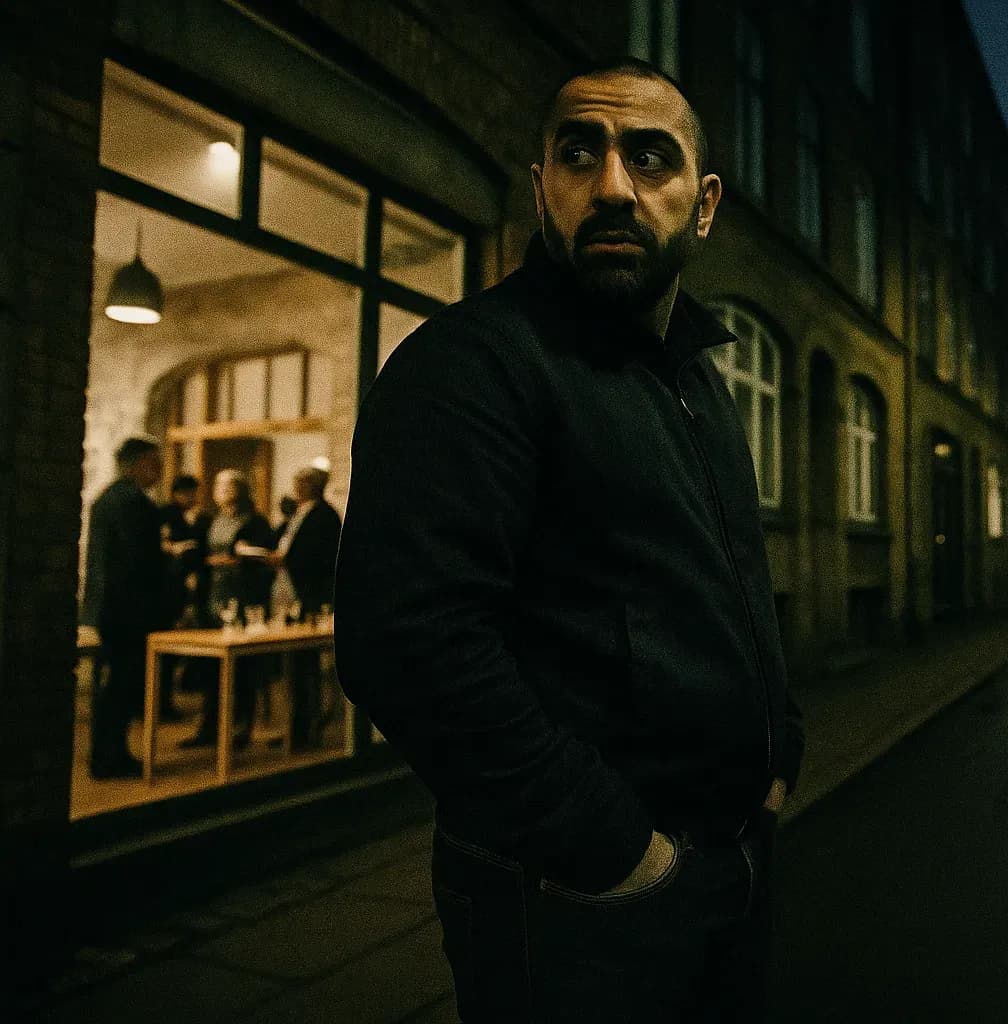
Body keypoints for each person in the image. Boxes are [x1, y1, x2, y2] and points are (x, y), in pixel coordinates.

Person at [334, 57, 804, 1021]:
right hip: (573, 897)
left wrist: (778, 749)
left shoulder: (700, 382)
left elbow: (731, 577)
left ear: (703, 205)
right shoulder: (470, 367)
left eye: (650, 157)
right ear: (543, 183)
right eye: (580, 153)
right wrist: (620, 853)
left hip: (731, 860)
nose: (614, 186)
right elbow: (410, 646)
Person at [80, 436, 165, 779]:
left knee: (111, 684)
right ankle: (109, 757)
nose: (159, 471)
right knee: (123, 685)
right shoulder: (135, 503)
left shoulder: (105, 498)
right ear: (139, 463)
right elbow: (138, 561)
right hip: (129, 608)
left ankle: (107, 753)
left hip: (107, 607)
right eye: (155, 464)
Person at [180, 468, 274, 750]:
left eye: (228, 485)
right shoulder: (213, 519)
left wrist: (237, 561)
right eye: (218, 484)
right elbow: (203, 554)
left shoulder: (255, 521)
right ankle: (209, 726)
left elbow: (264, 560)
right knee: (211, 668)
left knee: (242, 668)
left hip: (243, 597)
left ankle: (240, 727)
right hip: (214, 597)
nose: (221, 489)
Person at [265, 466, 341, 749]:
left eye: (302, 482)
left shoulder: (324, 516)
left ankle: (308, 727)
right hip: (290, 592)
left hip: (309, 595)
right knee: (292, 667)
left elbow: (321, 557)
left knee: (306, 667)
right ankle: (293, 726)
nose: (297, 487)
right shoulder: (297, 513)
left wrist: (287, 561)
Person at [157, 474, 209, 722]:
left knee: (173, 649)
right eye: (191, 493)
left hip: (181, 587)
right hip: (168, 586)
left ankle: (165, 700)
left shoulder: (194, 517)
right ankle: (161, 702)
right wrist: (173, 548)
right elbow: (160, 542)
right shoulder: (167, 513)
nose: (194, 498)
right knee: (166, 646)